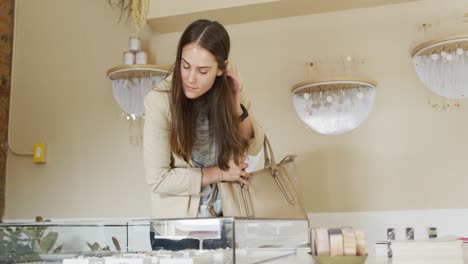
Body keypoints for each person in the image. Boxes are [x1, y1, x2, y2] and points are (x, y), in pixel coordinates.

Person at [143, 19, 264, 248]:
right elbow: (158, 180)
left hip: (227, 223)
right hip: (175, 230)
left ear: (221, 69)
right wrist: (219, 172)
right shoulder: (159, 102)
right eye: (185, 65)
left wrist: (236, 104)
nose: (190, 78)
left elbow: (255, 146)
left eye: (202, 71)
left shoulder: (231, 82)